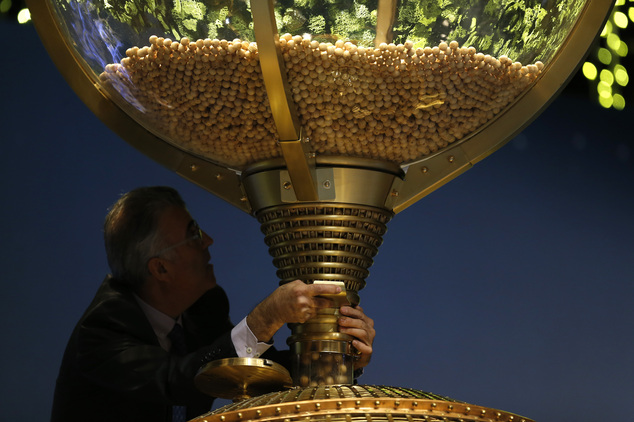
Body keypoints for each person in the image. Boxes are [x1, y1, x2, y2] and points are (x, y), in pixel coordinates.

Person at [51, 186, 375, 422]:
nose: (208, 240)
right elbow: (185, 380)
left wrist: (339, 355)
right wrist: (266, 317)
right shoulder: (100, 334)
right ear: (160, 268)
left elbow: (257, 372)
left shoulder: (203, 306)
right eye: (193, 234)